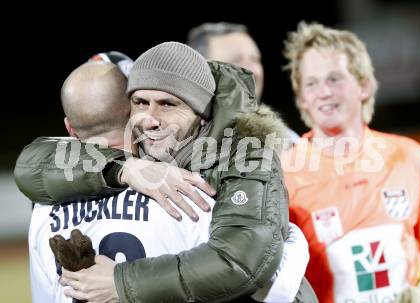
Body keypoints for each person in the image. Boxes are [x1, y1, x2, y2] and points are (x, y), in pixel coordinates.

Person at [15, 42, 292, 302]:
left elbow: (240, 262)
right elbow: (31, 165)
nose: (151, 119)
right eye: (140, 102)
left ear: (202, 112)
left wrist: (120, 283)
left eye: (168, 104)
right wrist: (124, 168)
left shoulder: (246, 153)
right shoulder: (141, 149)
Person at [281, 21, 420, 303]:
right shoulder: (285, 174)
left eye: (334, 78)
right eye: (311, 83)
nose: (324, 92)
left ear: (364, 86)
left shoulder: (410, 157)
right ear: (302, 99)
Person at [187, 22, 299, 143]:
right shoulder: (173, 143)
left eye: (255, 59)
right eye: (236, 60)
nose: (253, 71)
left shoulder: (290, 144)